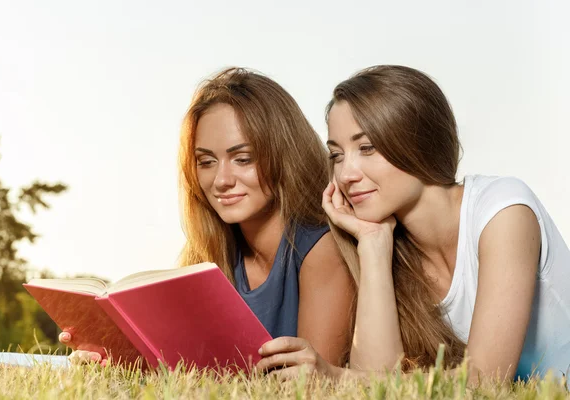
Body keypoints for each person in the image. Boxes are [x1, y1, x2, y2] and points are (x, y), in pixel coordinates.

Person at [257, 65, 570, 384]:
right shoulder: (394, 253)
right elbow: (378, 383)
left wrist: (336, 377)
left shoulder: (504, 210)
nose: (346, 174)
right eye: (337, 155)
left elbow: (486, 380)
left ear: (418, 142)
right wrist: (373, 243)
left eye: (366, 148)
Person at [59, 67, 355, 368]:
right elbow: (183, 368)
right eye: (206, 162)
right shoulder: (207, 252)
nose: (221, 180)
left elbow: (315, 384)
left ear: (284, 154)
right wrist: (119, 358)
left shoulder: (322, 249)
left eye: (243, 159)